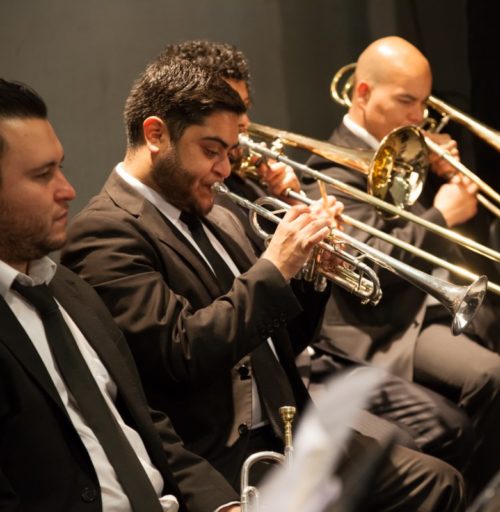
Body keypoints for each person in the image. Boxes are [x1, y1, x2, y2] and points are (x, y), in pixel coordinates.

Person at [61, 56, 464, 510]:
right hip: (223, 455)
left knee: (439, 483)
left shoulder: (219, 212)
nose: (225, 169)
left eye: (229, 153)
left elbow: (282, 340)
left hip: (289, 424)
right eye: (211, 151)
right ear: (155, 135)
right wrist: (276, 267)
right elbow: (182, 351)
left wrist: (312, 273)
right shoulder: (106, 232)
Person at [161, 38, 476, 472]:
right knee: (437, 435)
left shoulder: (251, 186)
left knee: (452, 428)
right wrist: (292, 245)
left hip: (309, 353)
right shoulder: (205, 197)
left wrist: (303, 229)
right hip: (298, 375)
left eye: (245, 108)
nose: (245, 124)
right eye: (230, 110)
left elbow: (297, 311)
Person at [0, 79, 241, 511]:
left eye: (60, 167)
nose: (67, 190)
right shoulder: (103, 240)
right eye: (42, 175)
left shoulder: (69, 290)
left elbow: (147, 426)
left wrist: (225, 505)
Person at [304, 35, 500, 491]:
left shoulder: (403, 150)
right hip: (386, 324)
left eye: (423, 103)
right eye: (406, 101)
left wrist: (438, 181)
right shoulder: (330, 168)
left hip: (428, 306)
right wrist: (442, 213)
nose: (419, 117)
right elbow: (374, 263)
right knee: (496, 378)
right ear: (362, 93)